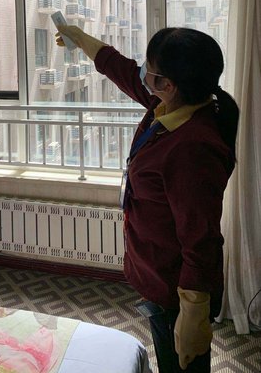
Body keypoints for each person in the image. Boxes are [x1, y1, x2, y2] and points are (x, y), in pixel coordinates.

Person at [55, 25, 239, 373]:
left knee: (181, 364)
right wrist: (80, 38)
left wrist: (193, 310)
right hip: (157, 272)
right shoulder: (169, 106)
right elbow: (122, 70)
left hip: (176, 288)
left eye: (148, 68)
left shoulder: (193, 148)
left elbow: (200, 238)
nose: (142, 72)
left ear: (167, 84)